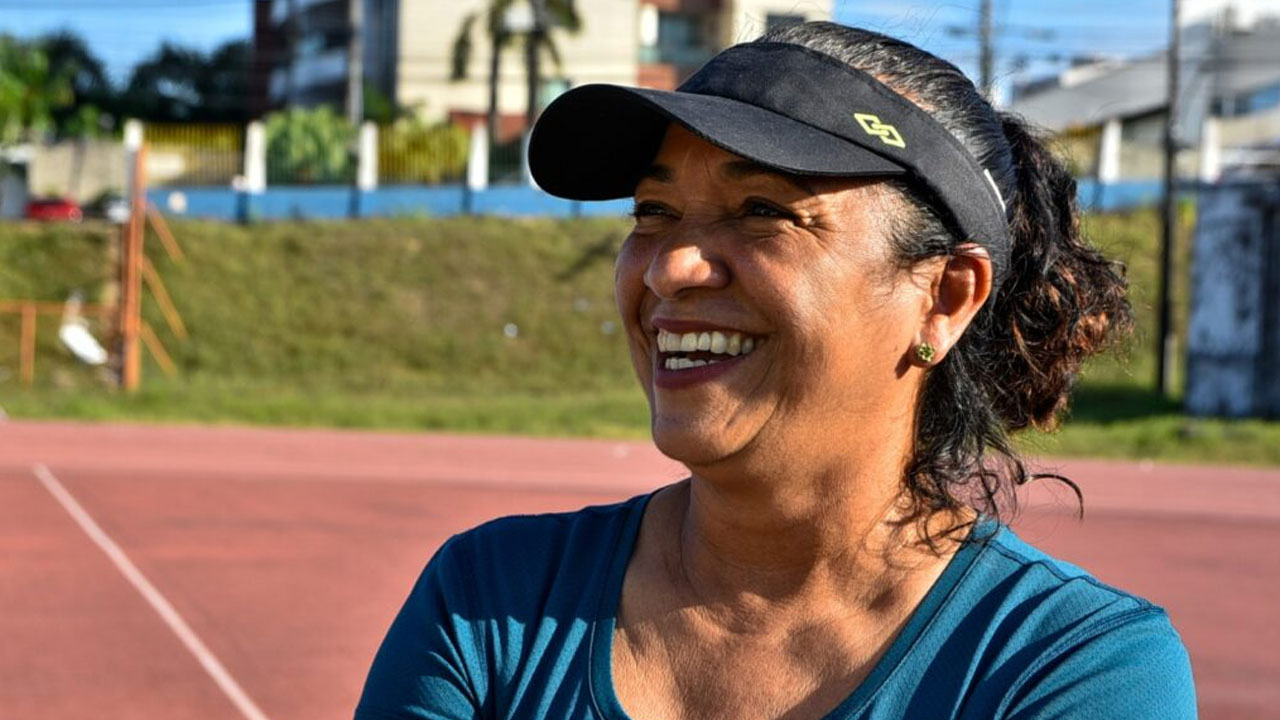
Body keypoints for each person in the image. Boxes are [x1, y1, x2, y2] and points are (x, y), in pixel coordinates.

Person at [354, 21, 1196, 720]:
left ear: (945, 297)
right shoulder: (492, 604)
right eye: (653, 211)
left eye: (762, 210)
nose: (670, 268)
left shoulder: (1071, 668)